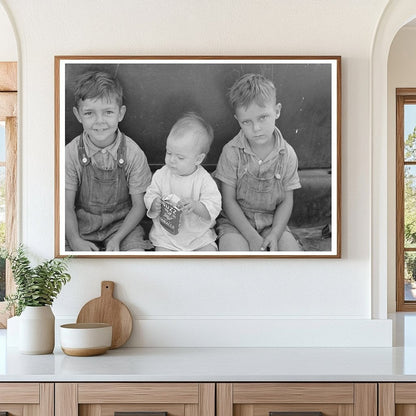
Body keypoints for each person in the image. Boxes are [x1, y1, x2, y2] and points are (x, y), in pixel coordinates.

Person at [65, 71, 152, 251]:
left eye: (108, 112)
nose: (100, 121)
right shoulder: (71, 153)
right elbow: (66, 205)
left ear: (120, 113)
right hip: (82, 227)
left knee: (135, 257)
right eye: (89, 113)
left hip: (123, 227)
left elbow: (139, 206)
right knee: (66, 262)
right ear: (78, 115)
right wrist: (74, 240)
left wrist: (117, 239)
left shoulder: (133, 153)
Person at [214, 73, 302, 252]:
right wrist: (252, 237)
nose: (256, 128)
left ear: (276, 111)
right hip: (236, 224)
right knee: (235, 257)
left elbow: (287, 201)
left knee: (293, 257)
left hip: (273, 223)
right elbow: (228, 200)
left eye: (263, 117)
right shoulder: (231, 152)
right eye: (247, 122)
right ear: (238, 120)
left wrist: (276, 233)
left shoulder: (288, 155)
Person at [144, 113, 221, 251]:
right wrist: (154, 203)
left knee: (209, 256)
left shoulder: (204, 180)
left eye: (180, 157)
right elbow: (150, 193)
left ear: (198, 159)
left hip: (199, 238)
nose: (172, 160)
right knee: (162, 261)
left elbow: (214, 206)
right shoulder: (161, 175)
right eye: (169, 153)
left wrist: (196, 206)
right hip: (166, 238)